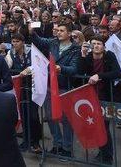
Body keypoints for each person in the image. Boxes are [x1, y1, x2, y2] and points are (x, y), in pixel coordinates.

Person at [29, 22, 79, 158]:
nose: (58, 32)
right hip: (50, 85)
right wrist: (32, 32)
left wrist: (61, 68)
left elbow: (75, 69)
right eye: (58, 30)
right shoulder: (53, 42)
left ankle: (67, 148)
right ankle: (57, 144)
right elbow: (39, 41)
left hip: (64, 88)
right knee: (51, 117)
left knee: (66, 120)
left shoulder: (75, 49)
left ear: (69, 34)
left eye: (62, 30)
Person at [76, 35, 121, 164]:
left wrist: (99, 75)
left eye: (99, 44)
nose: (96, 46)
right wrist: (83, 55)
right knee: (95, 126)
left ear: (104, 46)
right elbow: (79, 72)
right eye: (94, 43)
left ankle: (108, 157)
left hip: (107, 97)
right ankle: (101, 152)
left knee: (105, 127)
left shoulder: (109, 56)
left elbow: (117, 73)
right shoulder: (88, 57)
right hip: (91, 97)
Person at [5, 32, 42, 153]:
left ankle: (36, 141)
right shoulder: (10, 53)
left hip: (33, 87)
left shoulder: (32, 51)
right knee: (23, 114)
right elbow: (7, 66)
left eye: (17, 41)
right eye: (13, 42)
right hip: (20, 89)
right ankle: (26, 140)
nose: (15, 44)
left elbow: (39, 64)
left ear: (23, 42)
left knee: (33, 115)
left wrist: (29, 69)